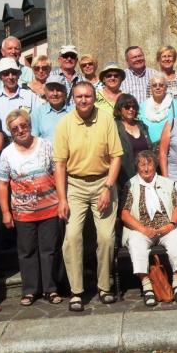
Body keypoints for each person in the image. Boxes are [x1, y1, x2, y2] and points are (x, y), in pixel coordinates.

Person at [53, 81, 123, 311]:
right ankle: (76, 291)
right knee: (72, 237)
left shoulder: (106, 119)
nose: (84, 100)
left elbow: (116, 157)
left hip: (104, 182)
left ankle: (104, 287)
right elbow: (60, 165)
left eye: (88, 96)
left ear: (94, 98)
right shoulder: (64, 124)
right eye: (79, 96)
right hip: (75, 185)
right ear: (73, 98)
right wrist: (62, 199)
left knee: (105, 238)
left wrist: (107, 187)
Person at [0, 110, 63, 306]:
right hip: (22, 211)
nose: (20, 130)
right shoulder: (7, 153)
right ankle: (30, 290)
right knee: (27, 251)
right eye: (15, 128)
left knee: (49, 250)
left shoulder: (46, 146)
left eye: (23, 126)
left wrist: (62, 199)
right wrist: (5, 212)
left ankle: (51, 289)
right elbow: (2, 184)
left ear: (29, 125)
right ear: (10, 132)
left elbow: (58, 172)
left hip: (49, 207)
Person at [120, 151, 177, 306]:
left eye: (149, 164)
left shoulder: (166, 182)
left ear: (155, 165)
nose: (146, 169)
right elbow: (124, 214)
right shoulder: (131, 185)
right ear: (137, 167)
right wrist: (143, 229)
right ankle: (147, 286)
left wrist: (171, 224)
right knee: (136, 243)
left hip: (166, 227)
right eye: (142, 165)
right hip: (141, 229)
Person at [0, 57, 41, 138]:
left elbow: (38, 121)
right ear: (0, 77)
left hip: (26, 140)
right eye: (6, 74)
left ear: (18, 75)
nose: (10, 77)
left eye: (13, 73)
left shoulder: (30, 96)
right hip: (2, 142)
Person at [115, 94, 153, 189]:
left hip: (146, 175)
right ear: (120, 109)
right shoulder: (114, 127)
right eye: (127, 107)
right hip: (125, 178)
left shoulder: (142, 126)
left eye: (134, 107)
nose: (131, 109)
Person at [139, 73, 177, 145]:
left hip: (170, 149)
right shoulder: (142, 107)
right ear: (151, 89)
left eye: (161, 85)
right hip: (149, 150)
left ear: (166, 87)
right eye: (154, 85)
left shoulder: (175, 105)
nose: (158, 88)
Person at [30, 76, 69, 142]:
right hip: (46, 151)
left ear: (65, 93)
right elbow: (34, 138)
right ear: (45, 93)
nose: (55, 94)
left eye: (59, 90)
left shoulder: (74, 111)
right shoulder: (38, 113)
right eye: (51, 90)